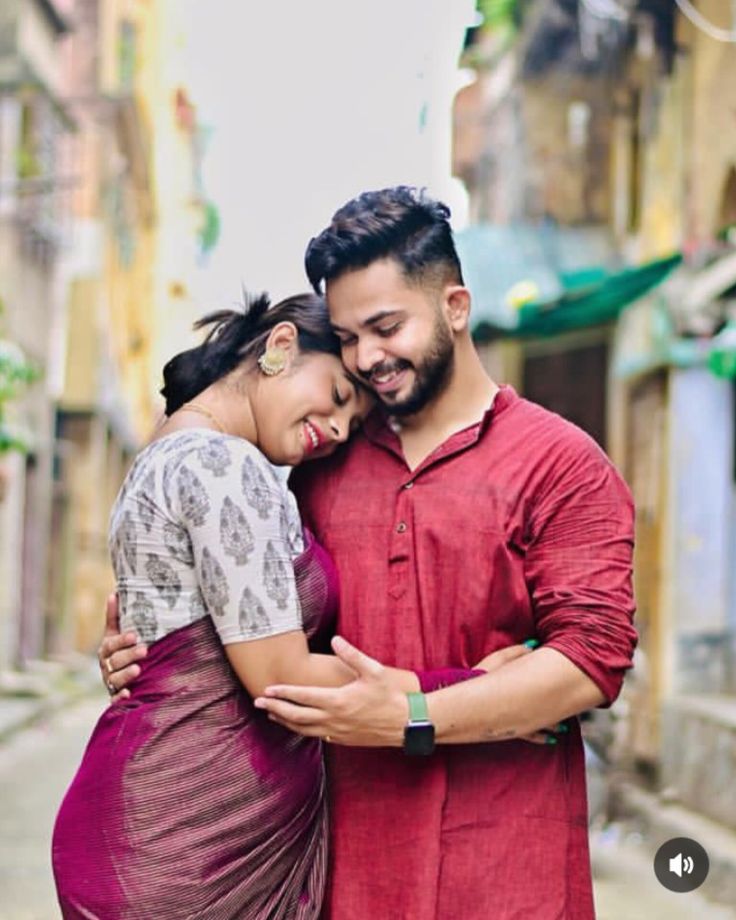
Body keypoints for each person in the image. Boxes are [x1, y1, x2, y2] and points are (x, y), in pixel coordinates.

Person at [100, 187, 637, 919]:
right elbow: (260, 631)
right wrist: (159, 645)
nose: (367, 358)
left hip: (504, 866)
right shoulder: (319, 470)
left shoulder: (560, 463)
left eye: (386, 327)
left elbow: (593, 656)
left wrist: (416, 712)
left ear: (455, 306)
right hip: (336, 868)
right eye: (349, 338)